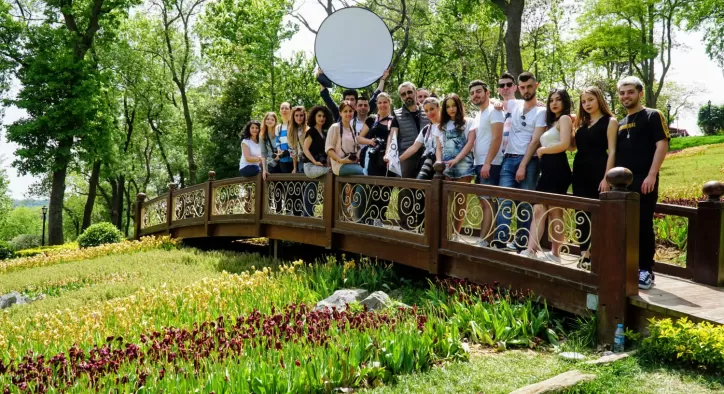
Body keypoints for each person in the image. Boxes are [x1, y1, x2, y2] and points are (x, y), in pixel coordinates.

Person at [615, 76, 669, 290]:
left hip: (645, 179)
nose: (625, 96)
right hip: (622, 183)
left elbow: (662, 144)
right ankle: (629, 267)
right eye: (622, 93)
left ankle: (646, 270)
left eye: (629, 92)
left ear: (639, 93)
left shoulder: (653, 115)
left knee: (643, 224)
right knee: (625, 226)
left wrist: (652, 174)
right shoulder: (620, 124)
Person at [493, 72, 547, 251]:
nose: (526, 90)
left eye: (529, 86)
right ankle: (501, 241)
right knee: (504, 200)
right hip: (508, 160)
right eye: (522, 87)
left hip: (529, 162)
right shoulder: (514, 105)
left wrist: (523, 165)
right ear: (518, 88)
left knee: (525, 203)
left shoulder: (542, 111)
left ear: (536, 86)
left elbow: (535, 140)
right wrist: (497, 103)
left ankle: (521, 242)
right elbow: (494, 101)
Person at [520, 89, 573, 262]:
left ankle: (556, 253)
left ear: (565, 102)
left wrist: (542, 150)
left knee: (554, 212)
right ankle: (531, 250)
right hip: (547, 171)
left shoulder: (565, 119)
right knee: (539, 210)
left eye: (558, 100)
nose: (555, 103)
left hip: (558, 169)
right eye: (551, 100)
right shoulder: (552, 122)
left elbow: (565, 145)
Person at [570, 86, 619, 270]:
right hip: (580, 170)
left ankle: (599, 254)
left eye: (590, 99)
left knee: (598, 213)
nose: (587, 104)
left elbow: (612, 150)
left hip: (599, 169)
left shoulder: (610, 121)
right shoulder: (581, 123)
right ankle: (584, 255)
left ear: (598, 99)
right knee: (581, 213)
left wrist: (607, 178)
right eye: (583, 101)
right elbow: (572, 147)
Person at [389, 81, 431, 232]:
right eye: (403, 94)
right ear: (401, 97)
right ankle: (406, 225)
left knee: (424, 190)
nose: (407, 96)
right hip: (406, 155)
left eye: (409, 92)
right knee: (406, 189)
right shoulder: (397, 114)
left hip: (426, 156)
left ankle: (422, 225)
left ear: (414, 92)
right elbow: (392, 136)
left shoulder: (427, 111)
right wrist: (390, 154)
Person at [469, 80, 505, 248]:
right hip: (479, 163)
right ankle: (487, 238)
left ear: (487, 92)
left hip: (490, 163)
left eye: (478, 91)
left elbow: (497, 138)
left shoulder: (494, 111)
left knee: (488, 202)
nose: (475, 95)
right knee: (484, 202)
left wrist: (488, 163)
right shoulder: (479, 114)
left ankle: (485, 240)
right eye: (472, 93)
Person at [436, 94, 476, 239]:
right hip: (446, 165)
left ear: (459, 106)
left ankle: (456, 234)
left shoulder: (469, 122)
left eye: (454, 105)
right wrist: (439, 162)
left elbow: (470, 143)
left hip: (464, 165)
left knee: (461, 200)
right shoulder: (441, 126)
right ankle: (445, 232)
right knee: (446, 201)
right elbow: (439, 147)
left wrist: (457, 159)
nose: (451, 109)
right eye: (448, 106)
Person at [358, 92, 395, 226]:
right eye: (379, 102)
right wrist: (371, 141)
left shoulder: (394, 119)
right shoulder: (371, 119)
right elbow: (359, 138)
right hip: (373, 158)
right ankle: (370, 217)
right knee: (373, 188)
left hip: (387, 159)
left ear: (389, 103)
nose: (382, 105)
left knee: (386, 189)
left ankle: (380, 217)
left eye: (385, 102)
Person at [317, 68, 388, 121]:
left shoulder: (362, 112)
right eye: (347, 99)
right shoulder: (338, 113)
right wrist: (321, 78)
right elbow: (326, 97)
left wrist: (382, 79)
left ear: (356, 102)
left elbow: (375, 97)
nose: (349, 101)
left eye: (352, 99)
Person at [301, 106, 333, 217]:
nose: (321, 118)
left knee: (312, 189)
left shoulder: (324, 133)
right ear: (314, 117)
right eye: (319, 116)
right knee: (331, 171)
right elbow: (305, 149)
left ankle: (318, 214)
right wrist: (315, 162)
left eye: (324, 116)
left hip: (320, 166)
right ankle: (307, 215)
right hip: (310, 166)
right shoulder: (311, 131)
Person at [325, 100, 365, 176]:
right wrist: (341, 160)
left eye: (350, 111)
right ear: (340, 113)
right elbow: (329, 150)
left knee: (365, 175)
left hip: (352, 164)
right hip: (340, 165)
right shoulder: (335, 127)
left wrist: (357, 157)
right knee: (364, 173)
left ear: (354, 112)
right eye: (345, 111)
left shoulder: (353, 129)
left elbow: (358, 148)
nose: (348, 113)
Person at [497, 72, 518, 154]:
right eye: (502, 85)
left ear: (515, 88)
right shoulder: (494, 108)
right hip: (498, 157)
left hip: (518, 154)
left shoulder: (523, 105)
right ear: (499, 90)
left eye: (509, 84)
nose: (505, 87)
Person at [274, 102, 294, 174]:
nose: (284, 110)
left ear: (291, 111)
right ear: (279, 111)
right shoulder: (278, 127)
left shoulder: (294, 126)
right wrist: (279, 150)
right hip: (283, 160)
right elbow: (277, 142)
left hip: (294, 160)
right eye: (282, 108)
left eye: (286, 108)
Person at [260, 112, 280, 180]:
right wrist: (264, 170)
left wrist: (280, 155)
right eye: (268, 119)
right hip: (271, 164)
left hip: (283, 161)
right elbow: (263, 153)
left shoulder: (279, 132)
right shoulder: (262, 135)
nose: (270, 121)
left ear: (275, 121)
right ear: (265, 121)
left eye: (272, 119)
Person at [290, 106, 308, 174]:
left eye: (301, 115)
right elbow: (293, 150)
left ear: (304, 116)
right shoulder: (291, 131)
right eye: (296, 115)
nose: (299, 118)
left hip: (311, 160)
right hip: (301, 160)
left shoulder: (308, 129)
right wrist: (294, 168)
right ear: (293, 117)